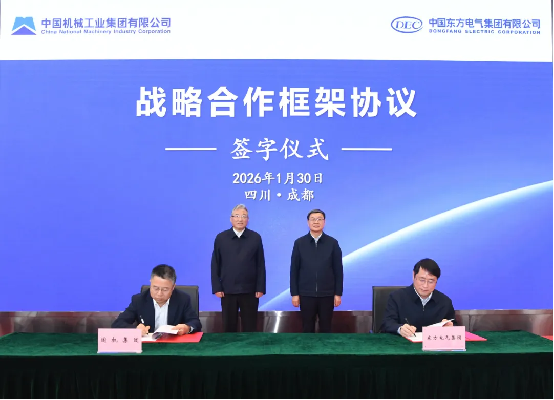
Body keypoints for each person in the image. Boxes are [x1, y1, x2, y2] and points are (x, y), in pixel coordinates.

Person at [211, 204, 266, 332]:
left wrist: (260, 287)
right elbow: (215, 263)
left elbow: (260, 264)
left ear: (248, 219)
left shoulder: (255, 238)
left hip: (250, 290)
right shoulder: (221, 238)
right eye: (237, 216)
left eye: (243, 216)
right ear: (231, 219)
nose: (240, 219)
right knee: (229, 326)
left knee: (250, 326)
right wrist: (217, 287)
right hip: (227, 290)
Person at [290, 209, 344, 333]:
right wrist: (295, 294)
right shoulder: (299, 243)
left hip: (327, 294)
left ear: (324, 222)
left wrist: (338, 293)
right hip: (306, 294)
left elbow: (338, 270)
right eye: (313, 219)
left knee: (326, 328)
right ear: (308, 222)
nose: (316, 222)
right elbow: (294, 270)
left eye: (319, 219)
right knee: (307, 328)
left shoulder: (332, 243)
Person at [112, 264, 201, 335]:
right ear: (151, 283)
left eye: (165, 289)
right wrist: (135, 329)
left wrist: (187, 327)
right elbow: (118, 323)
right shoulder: (139, 300)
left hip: (174, 345)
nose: (159, 293)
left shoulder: (183, 299)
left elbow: (195, 322)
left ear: (173, 287)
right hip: (148, 347)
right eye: (155, 288)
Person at [380, 258, 455, 337]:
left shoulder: (445, 302)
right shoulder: (397, 297)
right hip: (402, 343)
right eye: (422, 280)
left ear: (436, 281)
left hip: (433, 344)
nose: (425, 286)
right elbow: (387, 323)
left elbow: (454, 324)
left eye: (431, 281)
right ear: (414, 275)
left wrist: (450, 327)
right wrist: (399, 328)